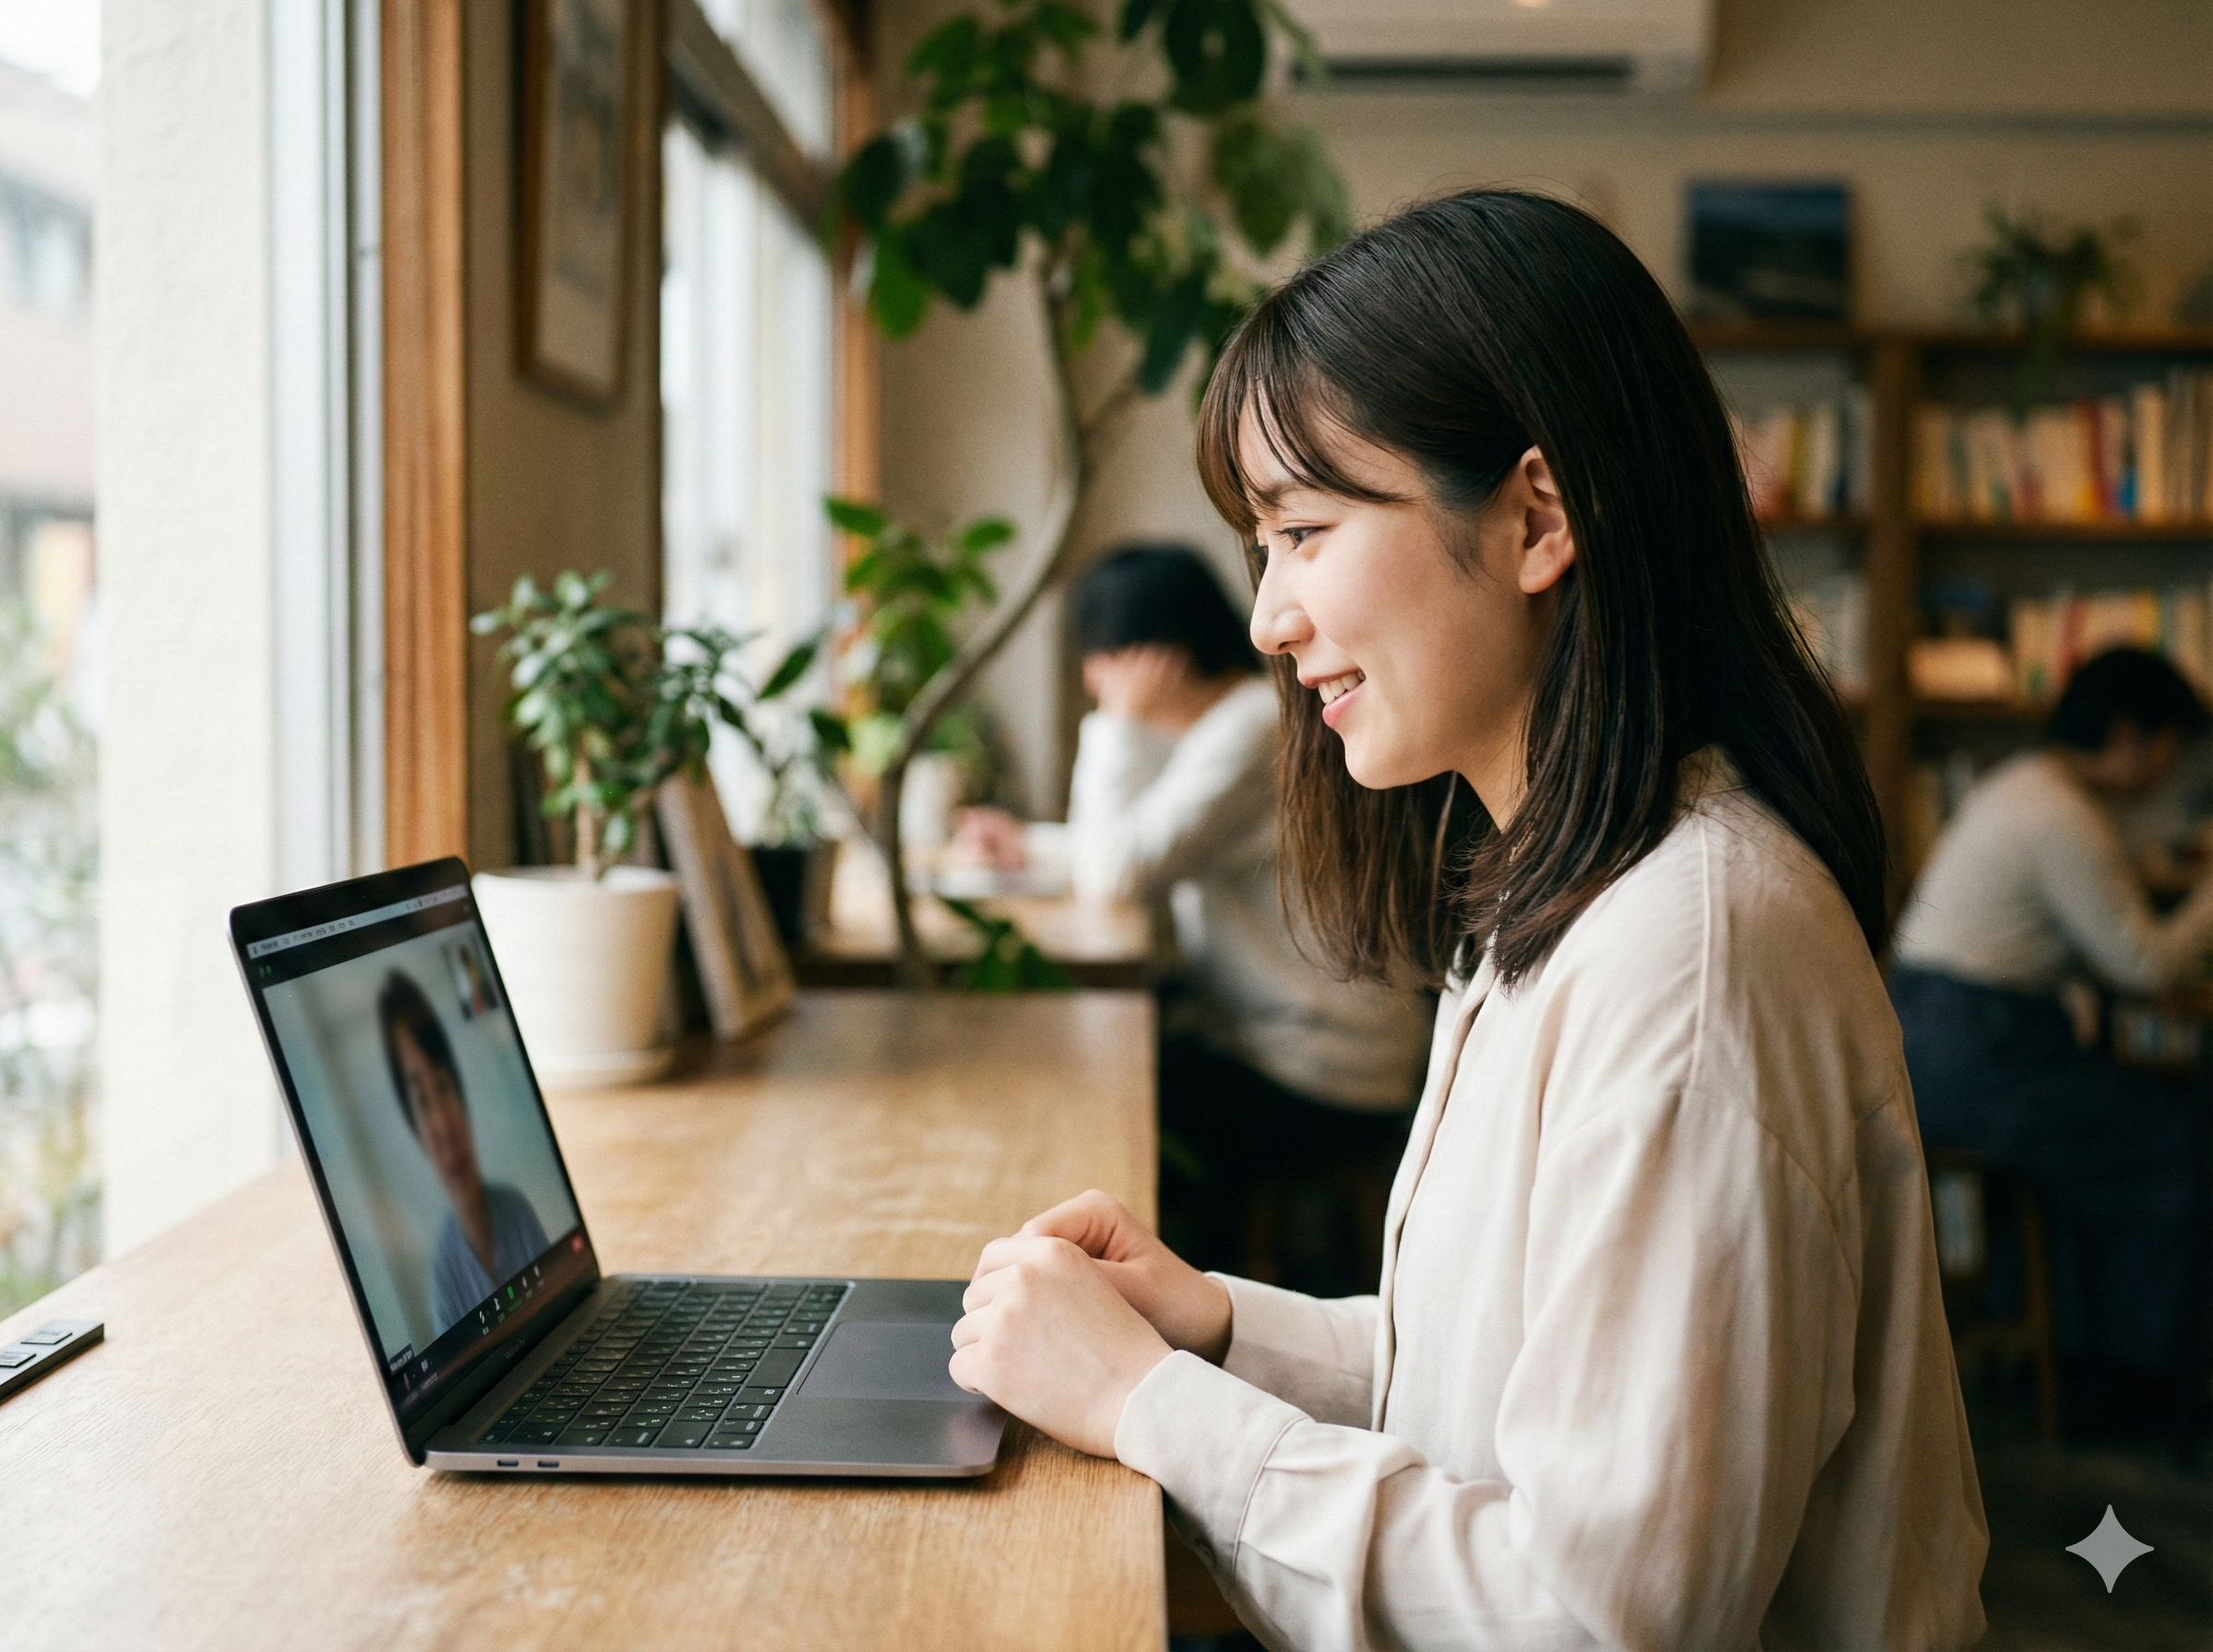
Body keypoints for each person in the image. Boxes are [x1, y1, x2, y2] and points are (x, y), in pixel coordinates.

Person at [942, 190, 1987, 1650]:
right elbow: (1505, 1394)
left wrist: (1147, 1404)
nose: (1266, 618)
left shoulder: (1689, 959)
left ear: (1536, 520)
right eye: (1261, 545)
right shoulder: (1566, 884)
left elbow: (1590, 1618)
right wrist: (1217, 1328)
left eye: (1305, 530)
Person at [963, 544, 1432, 1287]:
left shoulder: (1251, 729)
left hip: (1323, 1073)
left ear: (1156, 656)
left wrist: (1116, 723)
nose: (1093, 679)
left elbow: (1118, 876)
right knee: (1090, 1076)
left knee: (1080, 1102)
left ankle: (1144, 1298)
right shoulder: (1236, 721)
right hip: (1300, 1043)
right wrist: (1029, 846)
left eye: (1103, 659)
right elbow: (1133, 851)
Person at [1890, 647, 2213, 1435]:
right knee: (2175, 1144)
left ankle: (2071, 1353)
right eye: (2171, 745)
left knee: (2127, 1120)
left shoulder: (2028, 791)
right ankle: (2129, 1375)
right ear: (2131, 735)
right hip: (1975, 1052)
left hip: (1940, 1041)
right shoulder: (2063, 818)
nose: (2172, 769)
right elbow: (2142, 967)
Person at [378, 970, 549, 1333]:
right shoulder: (444, 1276)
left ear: (461, 1096)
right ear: (416, 1131)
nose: (442, 1125)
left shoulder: (516, 1210)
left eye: (441, 1086)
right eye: (422, 1101)